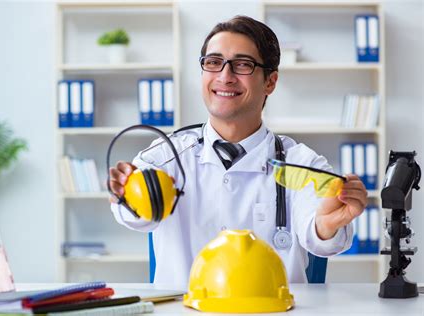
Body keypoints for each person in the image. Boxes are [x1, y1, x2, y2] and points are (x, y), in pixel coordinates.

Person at [109, 15, 367, 288]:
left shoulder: (301, 162)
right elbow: (136, 217)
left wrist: (326, 225)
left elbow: (319, 233)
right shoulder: (165, 155)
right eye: (213, 62)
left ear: (270, 81)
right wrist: (126, 195)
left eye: (242, 64)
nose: (225, 76)